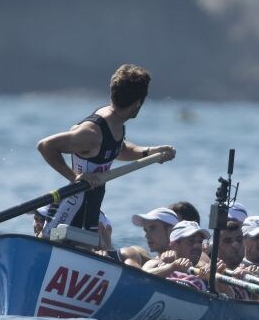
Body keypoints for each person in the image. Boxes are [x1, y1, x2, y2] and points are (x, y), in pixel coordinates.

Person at [36, 64, 177, 240]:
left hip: (91, 208)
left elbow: (118, 150)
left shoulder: (115, 122)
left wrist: (149, 152)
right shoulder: (92, 133)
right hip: (70, 211)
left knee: (89, 249)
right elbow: (45, 146)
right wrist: (74, 177)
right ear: (138, 103)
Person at [143, 220, 235, 294]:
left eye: (200, 242)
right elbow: (141, 278)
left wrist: (214, 279)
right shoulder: (155, 263)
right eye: (191, 241)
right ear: (174, 244)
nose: (197, 246)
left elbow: (231, 296)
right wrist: (172, 267)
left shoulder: (204, 269)